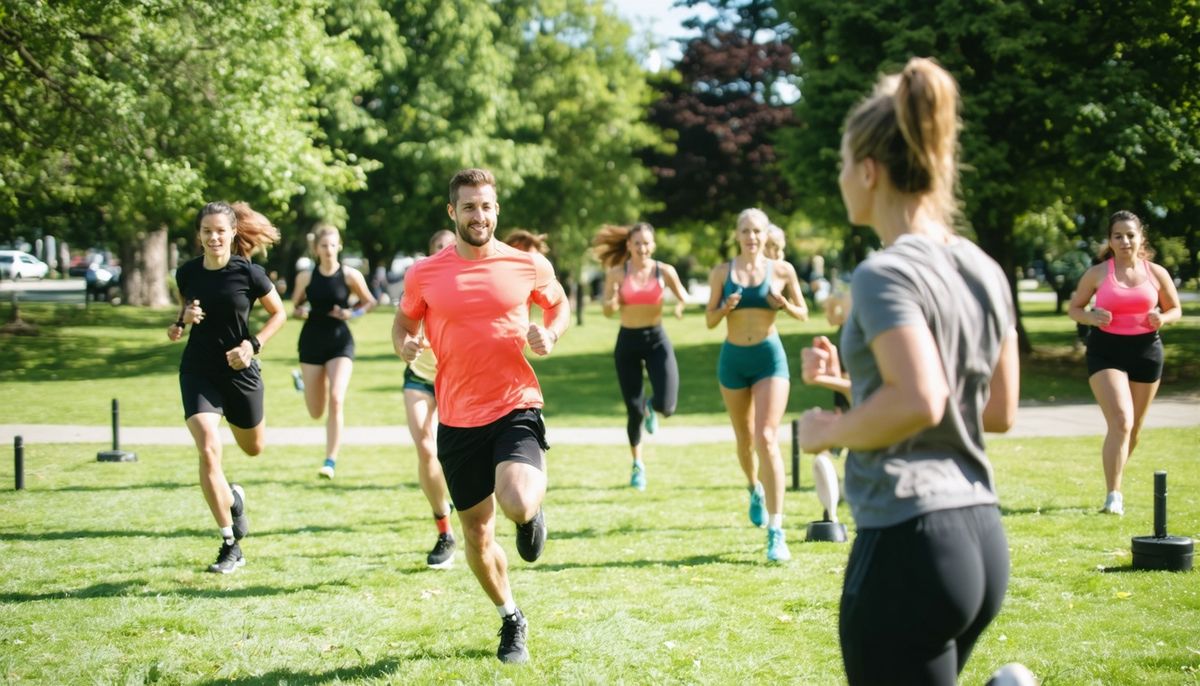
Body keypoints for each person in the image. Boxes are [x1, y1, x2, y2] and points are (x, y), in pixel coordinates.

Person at [795, 58, 1020, 685]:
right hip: (981, 536)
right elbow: (995, 412)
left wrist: (826, 431)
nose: (841, 177)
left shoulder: (882, 272)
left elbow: (921, 399)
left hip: (910, 543)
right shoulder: (983, 268)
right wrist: (853, 386)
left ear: (869, 171)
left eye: (843, 164)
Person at [394, 168, 570, 664]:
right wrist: (404, 344)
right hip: (456, 416)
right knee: (475, 532)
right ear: (453, 213)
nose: (479, 215)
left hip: (515, 403)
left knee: (515, 501)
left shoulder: (526, 265)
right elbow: (404, 321)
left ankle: (530, 513)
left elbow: (559, 306)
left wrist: (551, 334)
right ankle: (511, 617)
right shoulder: (424, 273)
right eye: (469, 207)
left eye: (487, 206)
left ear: (497, 210)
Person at [167, 201, 287, 574]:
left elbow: (279, 313)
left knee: (253, 448)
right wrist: (181, 321)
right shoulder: (186, 273)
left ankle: (234, 498)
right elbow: (182, 318)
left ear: (233, 233)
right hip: (199, 370)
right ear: (199, 236)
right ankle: (229, 542)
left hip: (240, 372)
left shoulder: (249, 273)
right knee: (208, 446)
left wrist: (253, 345)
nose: (214, 237)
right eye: (207, 231)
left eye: (220, 230)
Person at [704, 208, 809, 562]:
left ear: (766, 236)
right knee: (745, 440)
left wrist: (785, 305)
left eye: (757, 231)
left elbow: (804, 312)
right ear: (737, 235)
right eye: (746, 231)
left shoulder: (782, 270)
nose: (751, 237)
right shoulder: (722, 272)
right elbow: (709, 321)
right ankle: (754, 489)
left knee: (767, 437)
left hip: (769, 358)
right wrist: (726, 307)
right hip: (733, 361)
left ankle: (776, 531)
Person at [1067, 210, 1181, 515]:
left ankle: (1115, 472)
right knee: (1121, 420)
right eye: (1118, 235)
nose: (1125, 240)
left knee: (1135, 429)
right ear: (1110, 240)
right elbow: (1074, 308)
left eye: (1131, 234)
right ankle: (1113, 496)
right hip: (1106, 351)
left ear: (1141, 238)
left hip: (1146, 350)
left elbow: (1175, 309)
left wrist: (1163, 317)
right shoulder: (1098, 273)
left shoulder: (1156, 273)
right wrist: (1090, 316)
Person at [594, 223, 689, 490]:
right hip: (628, 342)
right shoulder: (616, 273)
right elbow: (607, 310)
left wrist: (679, 308)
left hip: (657, 340)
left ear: (653, 245)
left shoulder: (664, 270)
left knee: (667, 406)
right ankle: (638, 465)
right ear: (629, 246)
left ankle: (652, 407)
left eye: (647, 243)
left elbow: (683, 297)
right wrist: (613, 302)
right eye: (637, 243)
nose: (642, 248)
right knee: (633, 410)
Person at [291, 224, 377, 480]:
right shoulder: (306, 277)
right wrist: (301, 312)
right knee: (316, 411)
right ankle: (303, 384)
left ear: (338, 246)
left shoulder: (350, 275)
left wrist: (352, 313)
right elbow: (295, 306)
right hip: (311, 342)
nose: (329, 250)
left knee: (337, 398)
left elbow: (369, 301)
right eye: (324, 246)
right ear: (316, 249)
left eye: (333, 245)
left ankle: (330, 461)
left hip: (340, 342)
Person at [400, 229, 459, 569]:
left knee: (461, 453)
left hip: (458, 379)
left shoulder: (466, 286)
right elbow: (404, 325)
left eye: (449, 247)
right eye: (437, 247)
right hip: (420, 377)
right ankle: (444, 530)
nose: (444, 252)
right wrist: (408, 343)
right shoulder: (421, 282)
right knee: (425, 446)